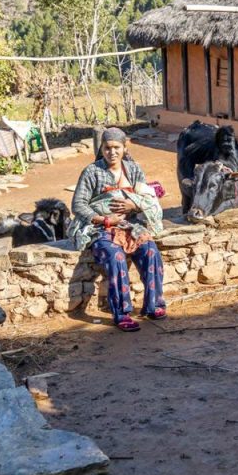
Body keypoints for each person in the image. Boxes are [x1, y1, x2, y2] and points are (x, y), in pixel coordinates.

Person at [68, 128, 166, 332]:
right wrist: (104, 219)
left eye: (116, 148)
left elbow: (146, 197)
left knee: (150, 251)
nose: (112, 152)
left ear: (124, 148)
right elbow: (78, 204)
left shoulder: (134, 169)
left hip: (131, 225)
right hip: (100, 229)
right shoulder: (92, 172)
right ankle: (121, 313)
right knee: (116, 257)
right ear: (101, 149)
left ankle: (153, 305)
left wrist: (134, 206)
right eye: (107, 148)